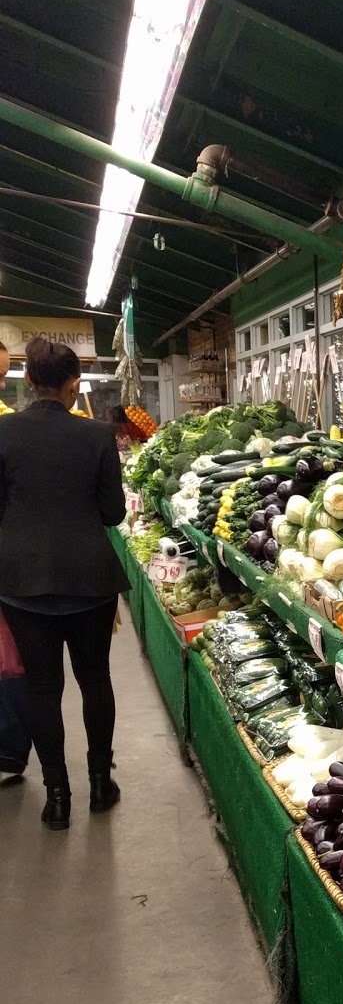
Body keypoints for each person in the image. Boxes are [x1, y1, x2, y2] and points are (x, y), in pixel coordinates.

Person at [0, 335, 129, 828]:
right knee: (94, 678)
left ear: (29, 381)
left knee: (41, 686)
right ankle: (100, 784)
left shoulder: (3, 433)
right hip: (89, 579)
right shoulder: (96, 436)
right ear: (73, 383)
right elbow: (113, 513)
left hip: (21, 582)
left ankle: (57, 798)